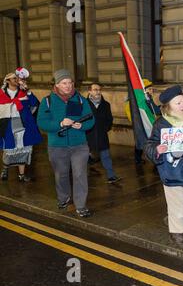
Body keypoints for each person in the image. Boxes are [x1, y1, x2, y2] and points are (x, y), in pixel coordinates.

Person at [144, 85, 183, 248]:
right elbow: (150, 145)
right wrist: (157, 150)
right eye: (178, 103)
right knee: (178, 206)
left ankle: (173, 216)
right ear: (168, 106)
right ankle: (177, 233)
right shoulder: (161, 123)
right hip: (171, 170)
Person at [37, 69, 95, 218]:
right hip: (57, 146)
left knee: (80, 174)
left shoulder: (81, 99)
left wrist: (82, 126)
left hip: (79, 145)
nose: (68, 86)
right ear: (56, 85)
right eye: (64, 83)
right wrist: (60, 123)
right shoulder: (47, 101)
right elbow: (42, 123)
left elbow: (91, 120)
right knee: (61, 175)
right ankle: (64, 198)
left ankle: (81, 205)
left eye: (70, 83)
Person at [0, 71, 42, 182]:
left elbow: (35, 104)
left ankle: (21, 175)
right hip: (7, 125)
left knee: (23, 149)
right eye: (14, 78)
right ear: (8, 81)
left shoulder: (24, 93)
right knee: (8, 148)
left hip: (23, 125)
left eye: (17, 78)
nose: (17, 80)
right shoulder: (1, 93)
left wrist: (27, 91)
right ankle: (5, 169)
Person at [86, 82, 121, 184]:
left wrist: (105, 128)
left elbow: (109, 119)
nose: (98, 92)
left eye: (99, 90)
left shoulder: (106, 105)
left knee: (105, 156)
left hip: (102, 135)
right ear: (89, 91)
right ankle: (82, 175)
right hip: (88, 135)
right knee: (83, 156)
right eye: (95, 89)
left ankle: (111, 176)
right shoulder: (84, 104)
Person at [133, 78, 161, 164]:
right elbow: (155, 111)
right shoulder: (143, 100)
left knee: (142, 140)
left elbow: (155, 110)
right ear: (143, 91)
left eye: (152, 89)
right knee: (145, 141)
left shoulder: (148, 99)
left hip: (150, 123)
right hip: (146, 124)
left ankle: (139, 158)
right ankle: (141, 158)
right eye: (149, 89)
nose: (152, 91)